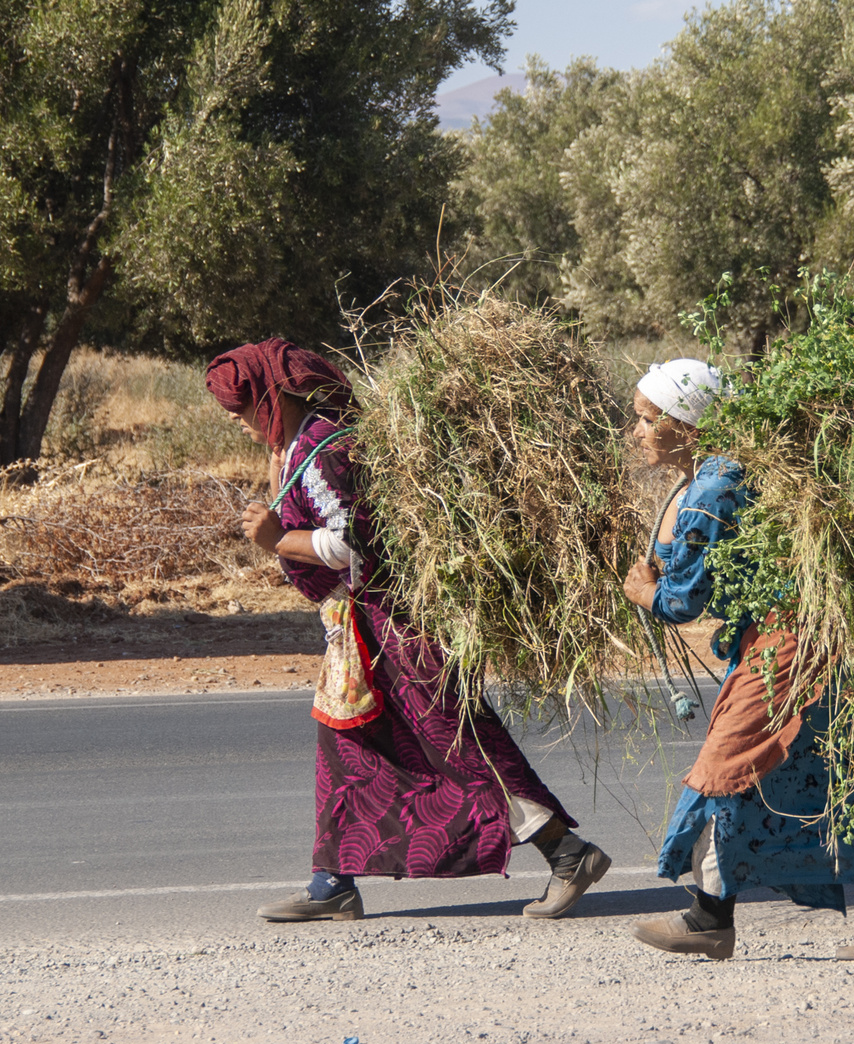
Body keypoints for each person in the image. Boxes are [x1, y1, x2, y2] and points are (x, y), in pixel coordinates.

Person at [206, 338, 611, 922]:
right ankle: (331, 883)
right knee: (345, 749)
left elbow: (351, 542)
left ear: (272, 396)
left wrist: (277, 539)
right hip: (357, 630)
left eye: (242, 411)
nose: (239, 424)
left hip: (393, 627)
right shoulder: (299, 446)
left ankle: (567, 854)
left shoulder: (324, 447)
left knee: (458, 741)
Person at [620, 359, 854, 961]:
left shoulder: (715, 489)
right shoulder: (724, 474)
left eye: (645, 420)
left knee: (724, 768)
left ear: (686, 425)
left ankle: (709, 918)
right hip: (818, 639)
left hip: (787, 648)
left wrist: (645, 591)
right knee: (841, 777)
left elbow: (683, 600)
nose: (636, 433)